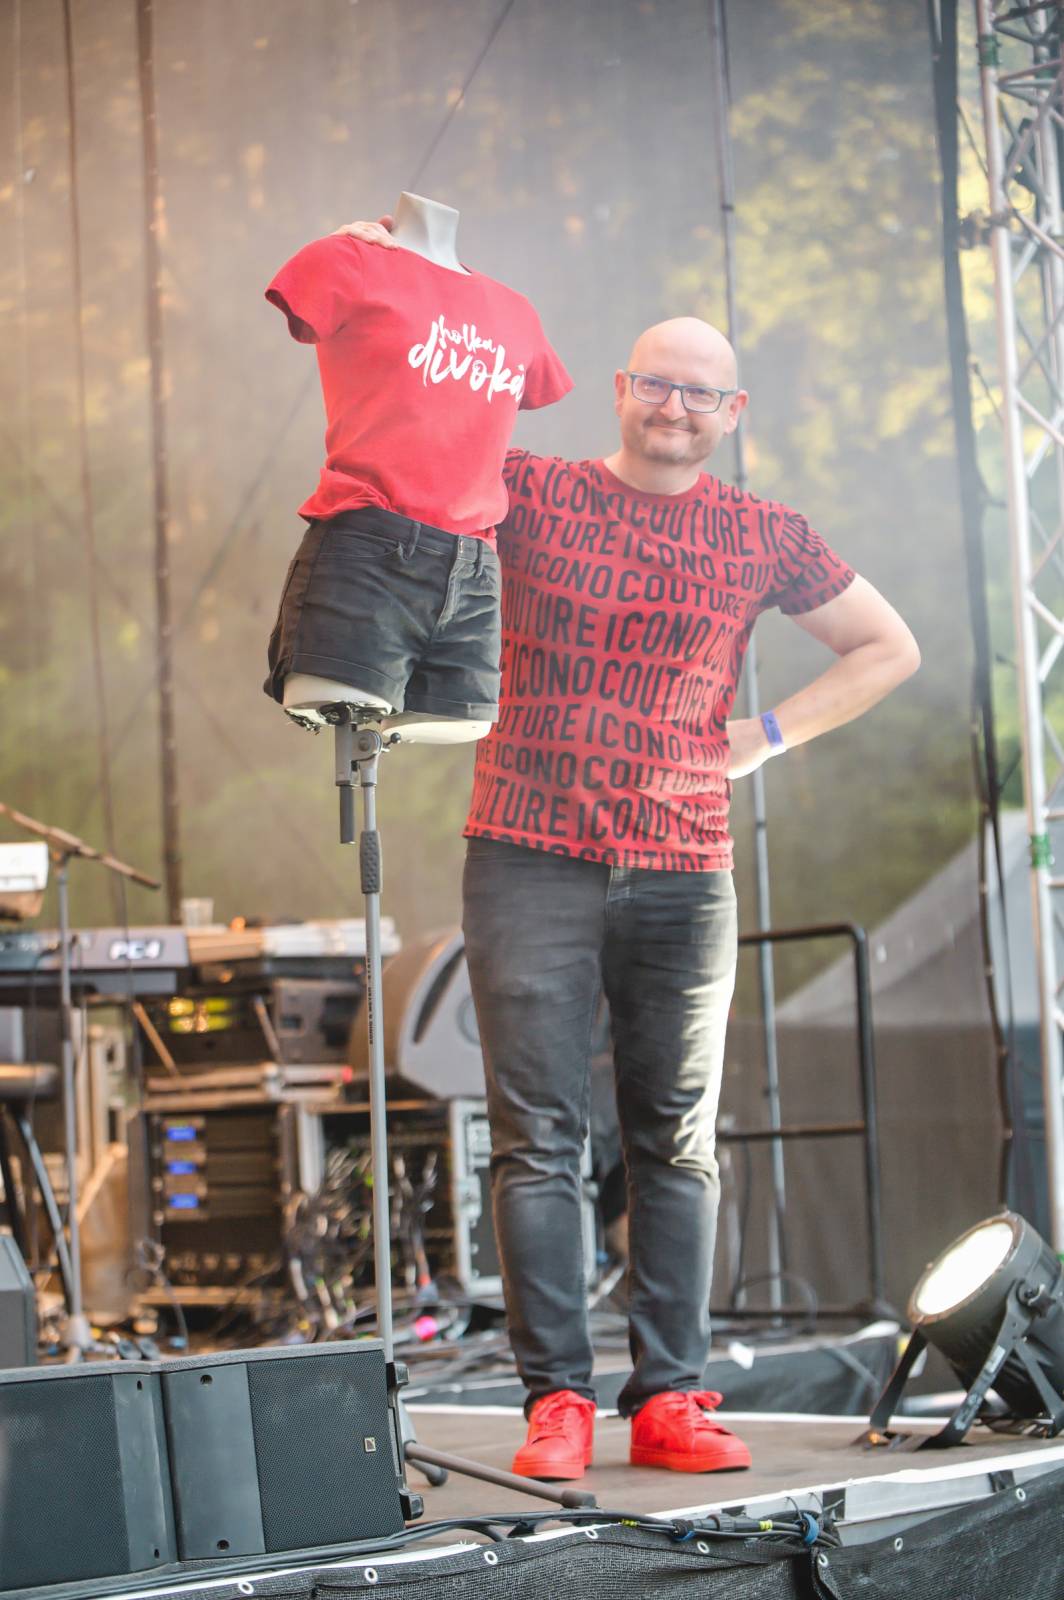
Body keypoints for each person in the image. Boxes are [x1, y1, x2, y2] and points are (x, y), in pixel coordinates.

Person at [338, 220, 920, 1480]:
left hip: (681, 862)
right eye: (654, 382)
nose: (673, 405)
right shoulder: (534, 488)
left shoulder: (763, 531)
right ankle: (557, 1399)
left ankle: (671, 1398)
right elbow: (422, 416)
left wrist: (763, 733)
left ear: (730, 411)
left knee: (675, 1136)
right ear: (620, 390)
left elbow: (887, 646)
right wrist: (388, 268)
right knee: (537, 1132)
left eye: (698, 392)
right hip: (525, 850)